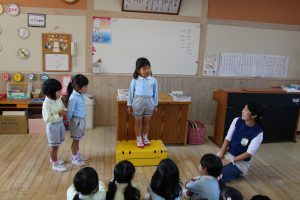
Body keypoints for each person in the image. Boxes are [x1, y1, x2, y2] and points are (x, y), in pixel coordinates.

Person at [217, 102, 264, 182]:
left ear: (254, 115)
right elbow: (228, 138)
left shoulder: (258, 133)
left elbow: (249, 153)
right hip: (228, 154)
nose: (242, 111)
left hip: (241, 162)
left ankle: (237, 172)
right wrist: (221, 154)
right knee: (206, 167)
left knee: (218, 175)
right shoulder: (237, 120)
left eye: (246, 110)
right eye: (243, 108)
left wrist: (230, 161)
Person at [127, 57, 158, 148]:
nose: (147, 70)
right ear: (138, 70)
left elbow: (155, 93)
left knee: (146, 121)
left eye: (148, 68)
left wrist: (155, 105)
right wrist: (129, 105)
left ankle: (145, 137)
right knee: (138, 122)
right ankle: (139, 138)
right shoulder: (135, 80)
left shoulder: (153, 80)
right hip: (138, 102)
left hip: (149, 102)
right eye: (144, 68)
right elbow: (131, 93)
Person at [42, 78, 67, 172]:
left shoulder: (57, 99)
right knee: (54, 146)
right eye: (58, 91)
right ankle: (55, 164)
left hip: (59, 124)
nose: (59, 93)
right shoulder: (46, 104)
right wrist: (59, 114)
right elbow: (47, 119)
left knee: (57, 144)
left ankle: (54, 159)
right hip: (53, 127)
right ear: (50, 93)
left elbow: (62, 107)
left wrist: (64, 110)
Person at [67, 74, 89, 166]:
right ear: (77, 86)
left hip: (80, 120)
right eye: (84, 86)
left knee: (78, 139)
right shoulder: (73, 97)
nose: (86, 88)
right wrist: (69, 120)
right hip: (76, 121)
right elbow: (70, 111)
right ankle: (74, 158)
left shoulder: (79, 94)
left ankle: (78, 154)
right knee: (75, 141)